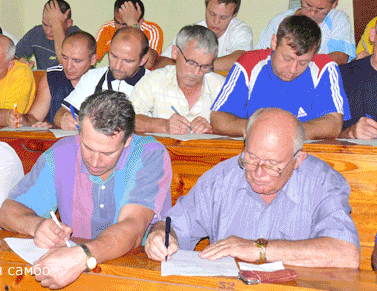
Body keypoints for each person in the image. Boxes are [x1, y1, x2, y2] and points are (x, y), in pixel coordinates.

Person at [0, 91, 172, 289]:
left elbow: (132, 228)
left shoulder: (149, 155)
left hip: (135, 276)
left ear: (128, 140)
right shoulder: (61, 154)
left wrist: (83, 256)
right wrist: (36, 226)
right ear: (79, 132)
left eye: (108, 153)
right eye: (87, 147)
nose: (95, 162)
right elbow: (7, 212)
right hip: (74, 269)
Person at [145, 108, 360, 268]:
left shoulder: (322, 182)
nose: (258, 173)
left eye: (272, 165)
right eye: (251, 158)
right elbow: (172, 224)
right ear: (245, 142)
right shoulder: (222, 178)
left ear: (298, 159)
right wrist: (160, 236)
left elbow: (346, 254)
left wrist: (258, 249)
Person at [211, 15, 349, 139]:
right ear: (274, 42)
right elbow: (218, 118)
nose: (293, 69)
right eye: (287, 58)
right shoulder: (249, 63)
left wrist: (286, 132)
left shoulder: (324, 67)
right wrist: (257, 128)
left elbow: (334, 123)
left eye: (303, 62)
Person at [131, 25, 225, 134]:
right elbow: (128, 120)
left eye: (205, 66)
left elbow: (239, 126)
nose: (196, 72)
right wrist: (163, 126)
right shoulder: (154, 80)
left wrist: (214, 130)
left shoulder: (221, 87)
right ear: (175, 52)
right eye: (191, 63)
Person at [55, 27, 149, 130]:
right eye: (114, 56)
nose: (117, 66)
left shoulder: (156, 83)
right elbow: (61, 112)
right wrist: (64, 119)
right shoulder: (92, 77)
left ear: (143, 60)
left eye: (127, 61)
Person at [256, 0, 355, 65]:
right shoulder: (279, 21)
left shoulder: (337, 19)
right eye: (308, 5)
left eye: (320, 9)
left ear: (334, 4)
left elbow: (341, 55)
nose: (312, 13)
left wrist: (303, 63)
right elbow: (260, 57)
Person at [7, 31, 97, 128]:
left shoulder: (101, 80)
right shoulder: (52, 76)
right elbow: (34, 117)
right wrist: (21, 120)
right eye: (65, 58)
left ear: (93, 60)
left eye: (77, 61)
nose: (68, 66)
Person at [157, 0, 252, 71]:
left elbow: (242, 59)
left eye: (223, 17)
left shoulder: (241, 30)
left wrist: (199, 66)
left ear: (234, 15)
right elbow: (160, 62)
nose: (216, 22)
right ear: (206, 8)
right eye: (212, 14)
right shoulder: (192, 32)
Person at [96, 0, 163, 69]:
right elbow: (91, 58)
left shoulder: (152, 30)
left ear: (141, 21)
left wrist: (134, 26)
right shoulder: (108, 27)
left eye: (125, 24)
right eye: (117, 22)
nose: (120, 28)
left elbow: (148, 64)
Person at [15, 0, 81, 70]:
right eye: (45, 24)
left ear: (68, 23)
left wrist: (58, 29)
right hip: (44, 76)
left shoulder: (79, 37)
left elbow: (66, 67)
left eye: (54, 26)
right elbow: (14, 55)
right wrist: (20, 60)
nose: (48, 31)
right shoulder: (37, 33)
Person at [339, 24, 377, 139]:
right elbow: (322, 136)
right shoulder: (342, 76)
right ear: (372, 34)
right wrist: (350, 133)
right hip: (353, 150)